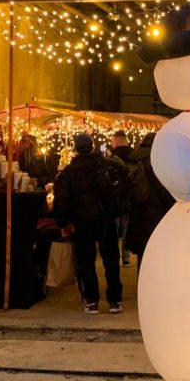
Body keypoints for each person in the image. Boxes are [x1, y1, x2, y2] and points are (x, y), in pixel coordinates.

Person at [53, 133, 123, 314]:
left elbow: (62, 200)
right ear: (92, 147)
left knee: (86, 261)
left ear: (75, 149)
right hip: (105, 218)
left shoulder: (69, 172)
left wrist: (62, 221)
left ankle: (92, 301)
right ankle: (115, 300)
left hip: (83, 221)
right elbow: (118, 185)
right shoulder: (103, 165)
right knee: (111, 259)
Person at [124, 132, 176, 273]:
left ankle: (141, 286)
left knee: (143, 252)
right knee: (155, 253)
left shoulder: (133, 159)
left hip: (138, 211)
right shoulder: (154, 160)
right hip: (155, 211)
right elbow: (161, 188)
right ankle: (152, 286)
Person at [108, 130, 132, 266]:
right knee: (126, 228)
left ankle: (114, 257)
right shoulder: (133, 155)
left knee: (114, 228)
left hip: (115, 197)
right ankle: (126, 257)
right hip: (128, 196)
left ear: (116, 140)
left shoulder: (112, 158)